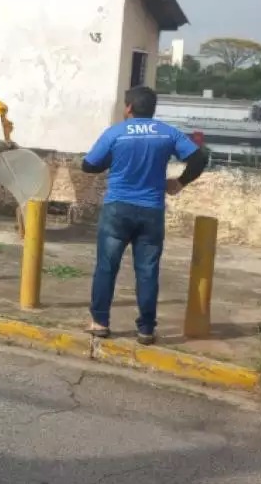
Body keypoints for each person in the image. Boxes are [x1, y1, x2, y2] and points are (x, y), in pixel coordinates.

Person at [81, 85, 210, 344]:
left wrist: (114, 161)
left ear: (128, 107)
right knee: (148, 271)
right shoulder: (167, 133)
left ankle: (99, 322)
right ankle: (146, 329)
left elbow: (88, 165)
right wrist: (180, 182)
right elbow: (199, 157)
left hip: (117, 208)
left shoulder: (116, 133)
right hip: (151, 209)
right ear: (152, 109)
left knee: (107, 267)